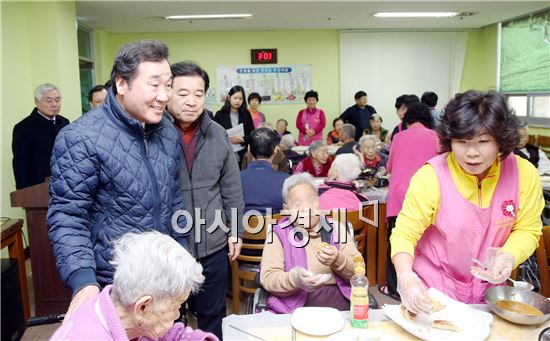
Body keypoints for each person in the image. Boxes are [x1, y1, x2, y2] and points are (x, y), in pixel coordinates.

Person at [47, 40, 187, 322]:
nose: (164, 96)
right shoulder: (81, 138)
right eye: (154, 85)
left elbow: (175, 198)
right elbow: (68, 215)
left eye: (168, 85)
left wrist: (182, 254)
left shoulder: (168, 132)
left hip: (162, 276)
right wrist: (83, 281)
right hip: (112, 283)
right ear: (121, 83)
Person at [390, 90, 544, 312]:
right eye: (461, 142)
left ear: (501, 140)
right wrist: (405, 276)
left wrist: (509, 255)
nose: (471, 153)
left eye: (483, 142)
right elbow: (405, 233)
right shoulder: (431, 176)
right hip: (435, 288)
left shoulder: (523, 174)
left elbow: (528, 229)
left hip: (491, 292)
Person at [166, 61, 244, 339]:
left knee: (213, 316)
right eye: (183, 93)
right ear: (167, 92)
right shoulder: (150, 134)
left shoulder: (217, 134)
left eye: (198, 94)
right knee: (165, 321)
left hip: (212, 244)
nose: (191, 101)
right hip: (167, 249)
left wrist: (235, 230)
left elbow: (231, 187)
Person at [51, 231, 217, 341]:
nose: (176, 315)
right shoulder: (90, 335)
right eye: (176, 306)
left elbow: (169, 335)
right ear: (143, 307)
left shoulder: (110, 309)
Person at [260, 173, 362, 313]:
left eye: (311, 201)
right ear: (286, 209)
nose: (306, 208)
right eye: (297, 204)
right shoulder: (278, 234)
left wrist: (338, 260)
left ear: (319, 202)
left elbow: (359, 272)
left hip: (338, 305)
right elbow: (269, 279)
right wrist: (294, 279)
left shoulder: (336, 228)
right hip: (294, 308)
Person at [383, 102, 439, 298]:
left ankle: (394, 289)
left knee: (397, 240)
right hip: (427, 196)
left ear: (406, 121)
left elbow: (389, 167)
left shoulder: (398, 137)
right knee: (425, 243)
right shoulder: (435, 137)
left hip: (400, 196)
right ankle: (425, 287)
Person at [12, 83, 70, 189]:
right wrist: (23, 192)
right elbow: (20, 164)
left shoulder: (64, 122)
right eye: (49, 101)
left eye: (57, 100)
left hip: (64, 184)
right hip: (37, 188)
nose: (54, 104)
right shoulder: (24, 127)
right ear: (37, 102)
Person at [241, 128, 290, 214]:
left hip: (241, 226)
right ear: (275, 150)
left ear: (248, 149)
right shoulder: (287, 180)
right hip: (275, 226)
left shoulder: (234, 180)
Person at [214, 85, 255, 167]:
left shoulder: (246, 114)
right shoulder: (220, 114)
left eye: (240, 99)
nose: (237, 101)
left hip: (242, 154)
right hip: (225, 154)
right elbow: (214, 135)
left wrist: (243, 139)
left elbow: (252, 134)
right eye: (235, 98)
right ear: (229, 98)